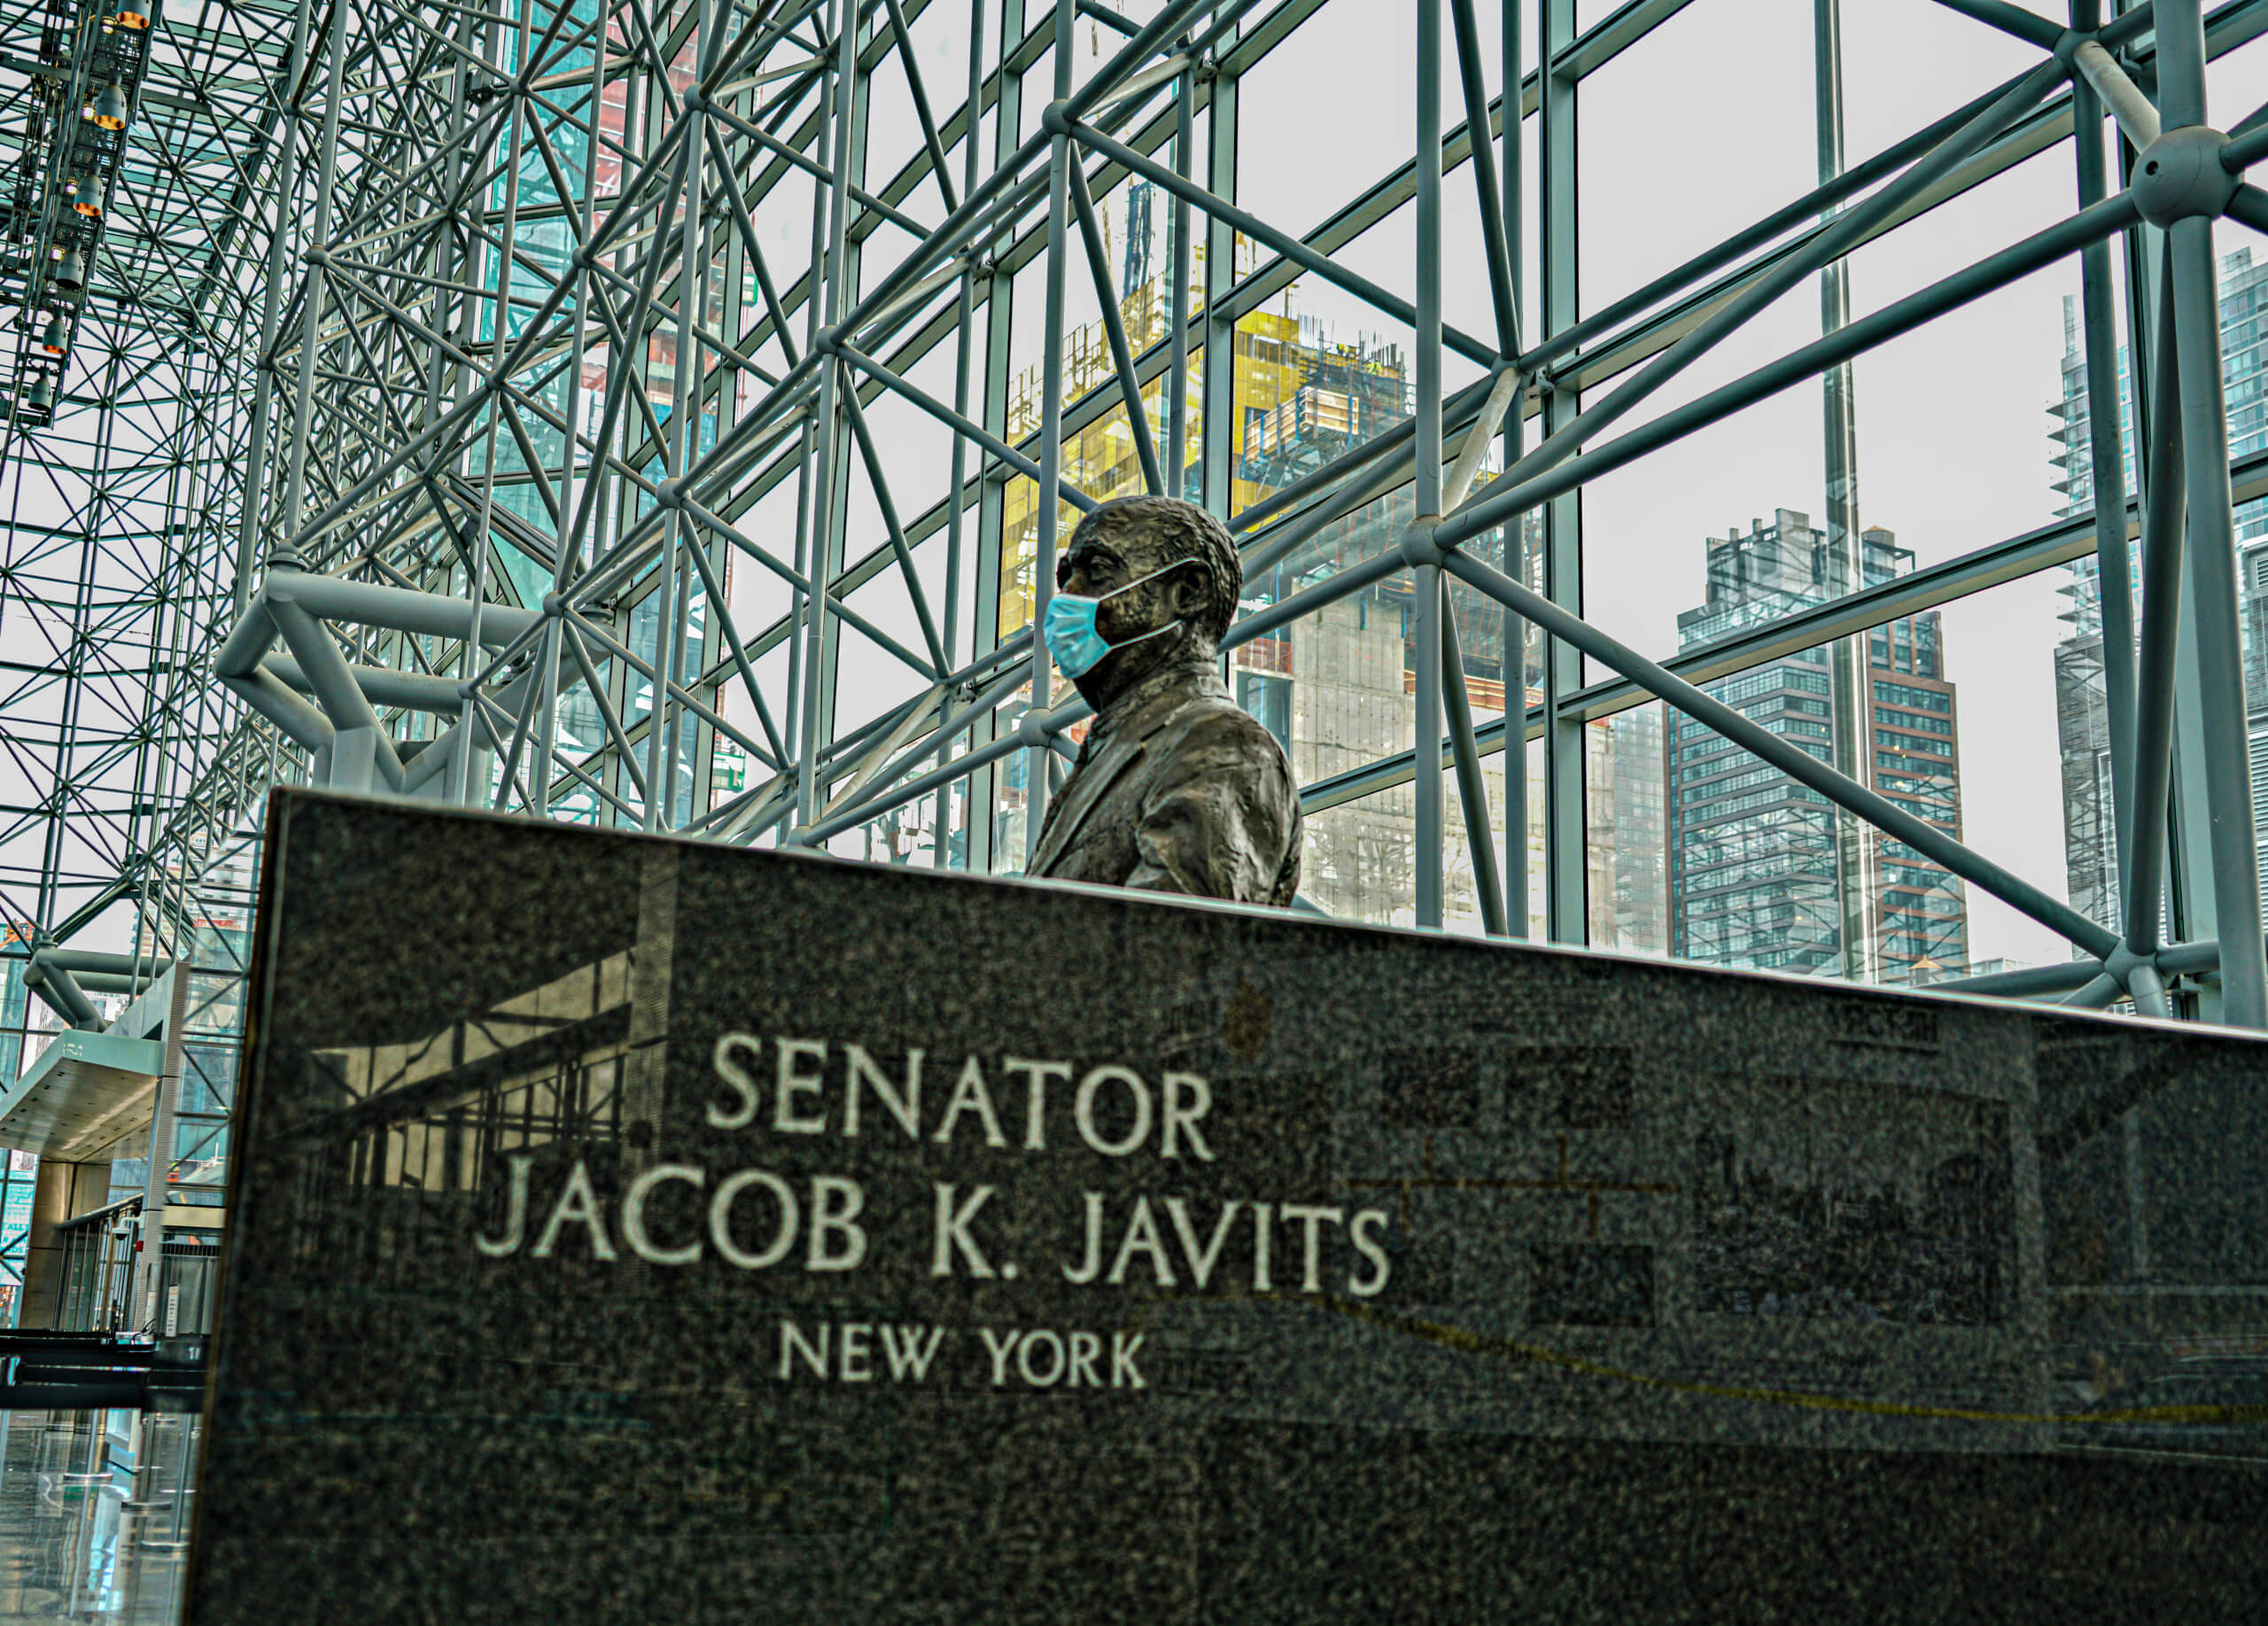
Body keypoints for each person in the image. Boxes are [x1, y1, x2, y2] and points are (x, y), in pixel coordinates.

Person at [1027, 494, 1301, 905]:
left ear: (1188, 591)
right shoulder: (1117, 749)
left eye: (1098, 570)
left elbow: (1173, 950)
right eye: (1066, 576)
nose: (1068, 594)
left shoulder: (1221, 746)